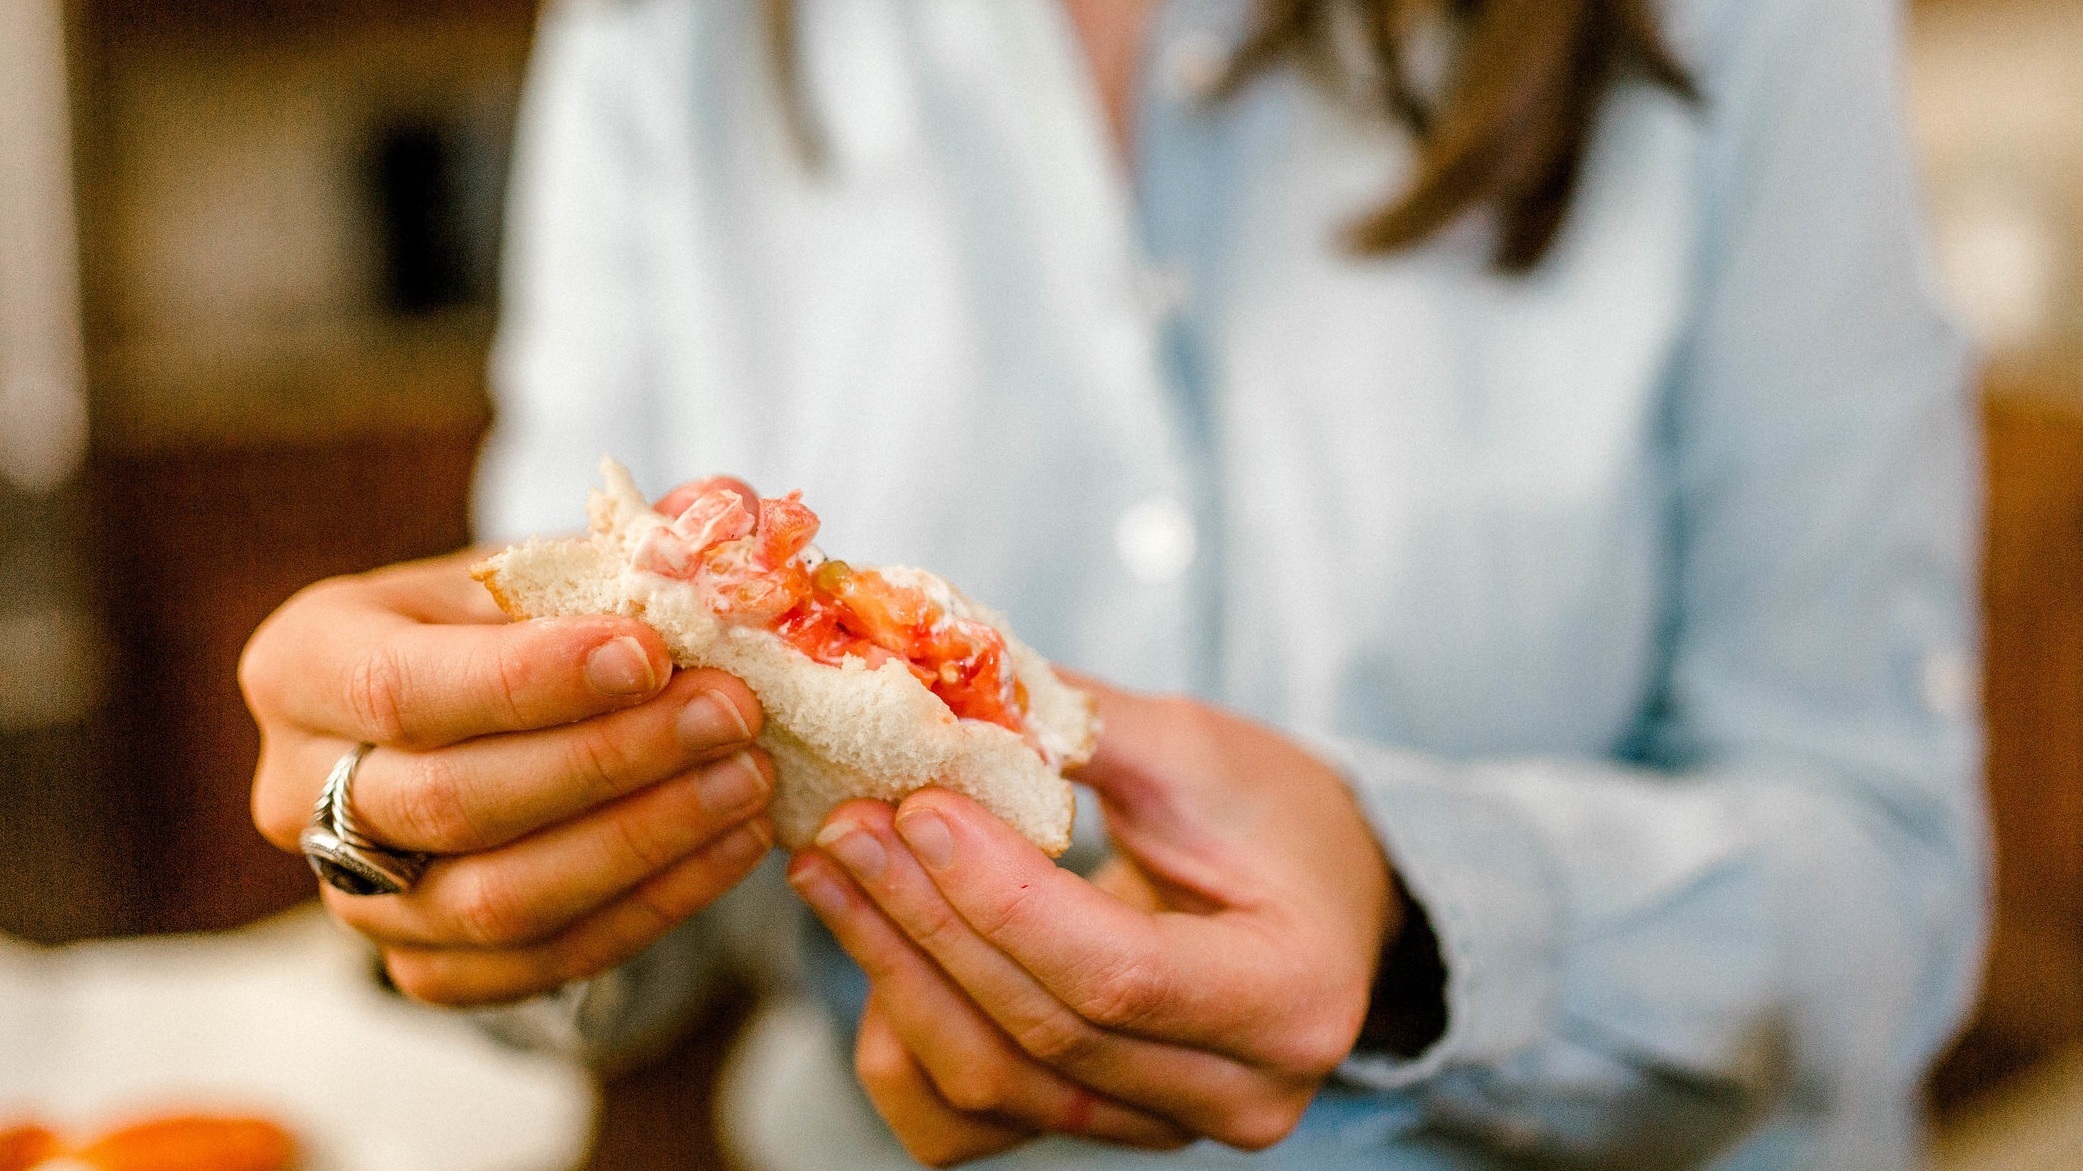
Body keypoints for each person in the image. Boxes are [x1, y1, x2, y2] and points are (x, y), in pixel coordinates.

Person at [241, 0, 1987, 1166]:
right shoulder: (664, 33)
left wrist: (1409, 920)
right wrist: (411, 838)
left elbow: (1892, 887)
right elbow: (576, 932)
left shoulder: (1751, 30)